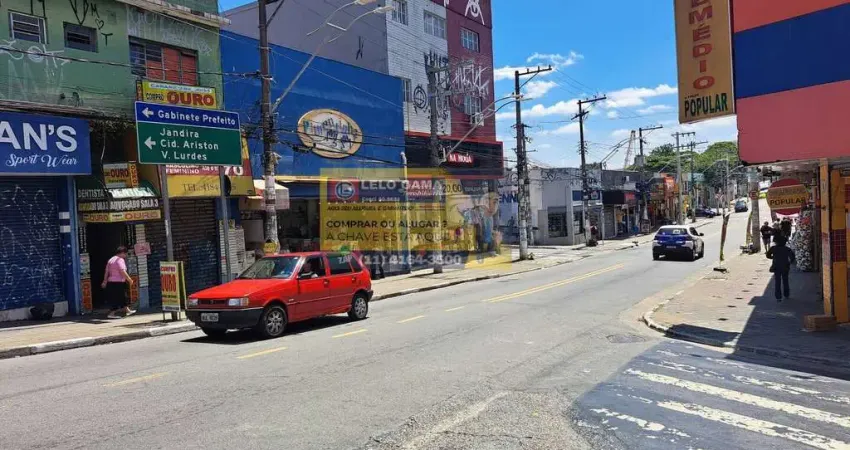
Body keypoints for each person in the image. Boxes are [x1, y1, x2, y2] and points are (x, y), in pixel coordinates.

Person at [101, 246, 135, 318]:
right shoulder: (120, 260)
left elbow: (106, 271)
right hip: (119, 282)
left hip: (111, 282)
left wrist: (105, 281)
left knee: (121, 297)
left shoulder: (111, 260)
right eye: (125, 254)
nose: (125, 256)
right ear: (122, 253)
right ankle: (111, 314)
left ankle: (127, 311)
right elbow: (122, 271)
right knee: (119, 297)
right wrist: (129, 279)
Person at [766, 236, 796, 302]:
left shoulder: (773, 248)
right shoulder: (787, 249)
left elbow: (768, 255)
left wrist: (773, 257)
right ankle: (786, 294)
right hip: (785, 266)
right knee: (785, 281)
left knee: (777, 282)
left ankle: (778, 297)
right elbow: (792, 257)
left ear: (776, 242)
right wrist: (789, 262)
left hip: (776, 266)